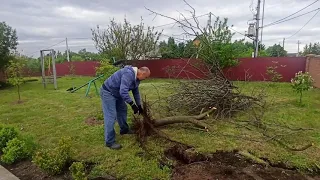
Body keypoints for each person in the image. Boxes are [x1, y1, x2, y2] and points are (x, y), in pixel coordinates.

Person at [100, 65, 151, 150]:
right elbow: (123, 91)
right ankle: (109, 142)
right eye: (145, 77)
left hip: (117, 92)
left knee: (122, 109)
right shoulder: (128, 74)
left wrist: (139, 105)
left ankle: (124, 130)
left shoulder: (136, 78)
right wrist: (132, 104)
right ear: (141, 73)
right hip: (108, 92)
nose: (145, 79)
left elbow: (136, 92)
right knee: (111, 116)